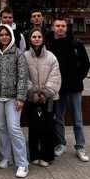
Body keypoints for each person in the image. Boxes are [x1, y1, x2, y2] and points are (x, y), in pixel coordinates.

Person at [0, 25, 30, 178]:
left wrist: (21, 97)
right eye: (1, 34)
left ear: (11, 36)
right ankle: (6, 157)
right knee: (2, 127)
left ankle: (22, 162)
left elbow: (23, 77)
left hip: (12, 97)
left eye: (6, 34)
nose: (4, 37)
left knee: (14, 128)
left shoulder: (18, 53)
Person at [46, 18, 90, 162]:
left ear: (66, 28)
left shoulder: (76, 45)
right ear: (53, 28)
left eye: (62, 26)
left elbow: (86, 64)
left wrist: (78, 78)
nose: (60, 28)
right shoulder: (49, 45)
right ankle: (61, 144)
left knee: (77, 119)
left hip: (74, 88)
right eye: (57, 26)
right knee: (58, 118)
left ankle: (80, 146)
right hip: (57, 89)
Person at [24, 29, 60, 167]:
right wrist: (31, 91)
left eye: (39, 36)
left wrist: (45, 93)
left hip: (49, 98)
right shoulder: (24, 56)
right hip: (31, 98)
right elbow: (23, 76)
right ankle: (34, 155)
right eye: (34, 36)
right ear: (30, 39)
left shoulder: (51, 57)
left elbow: (55, 77)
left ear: (43, 39)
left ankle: (46, 155)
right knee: (34, 128)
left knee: (48, 128)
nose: (37, 39)